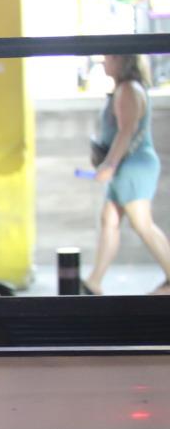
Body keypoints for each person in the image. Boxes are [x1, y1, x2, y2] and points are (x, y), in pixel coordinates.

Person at [83, 53, 170, 295]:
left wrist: (109, 166)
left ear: (122, 61)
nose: (103, 62)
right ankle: (94, 281)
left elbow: (126, 131)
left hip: (133, 166)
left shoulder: (129, 90)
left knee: (142, 223)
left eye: (109, 57)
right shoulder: (124, 88)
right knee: (109, 219)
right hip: (125, 164)